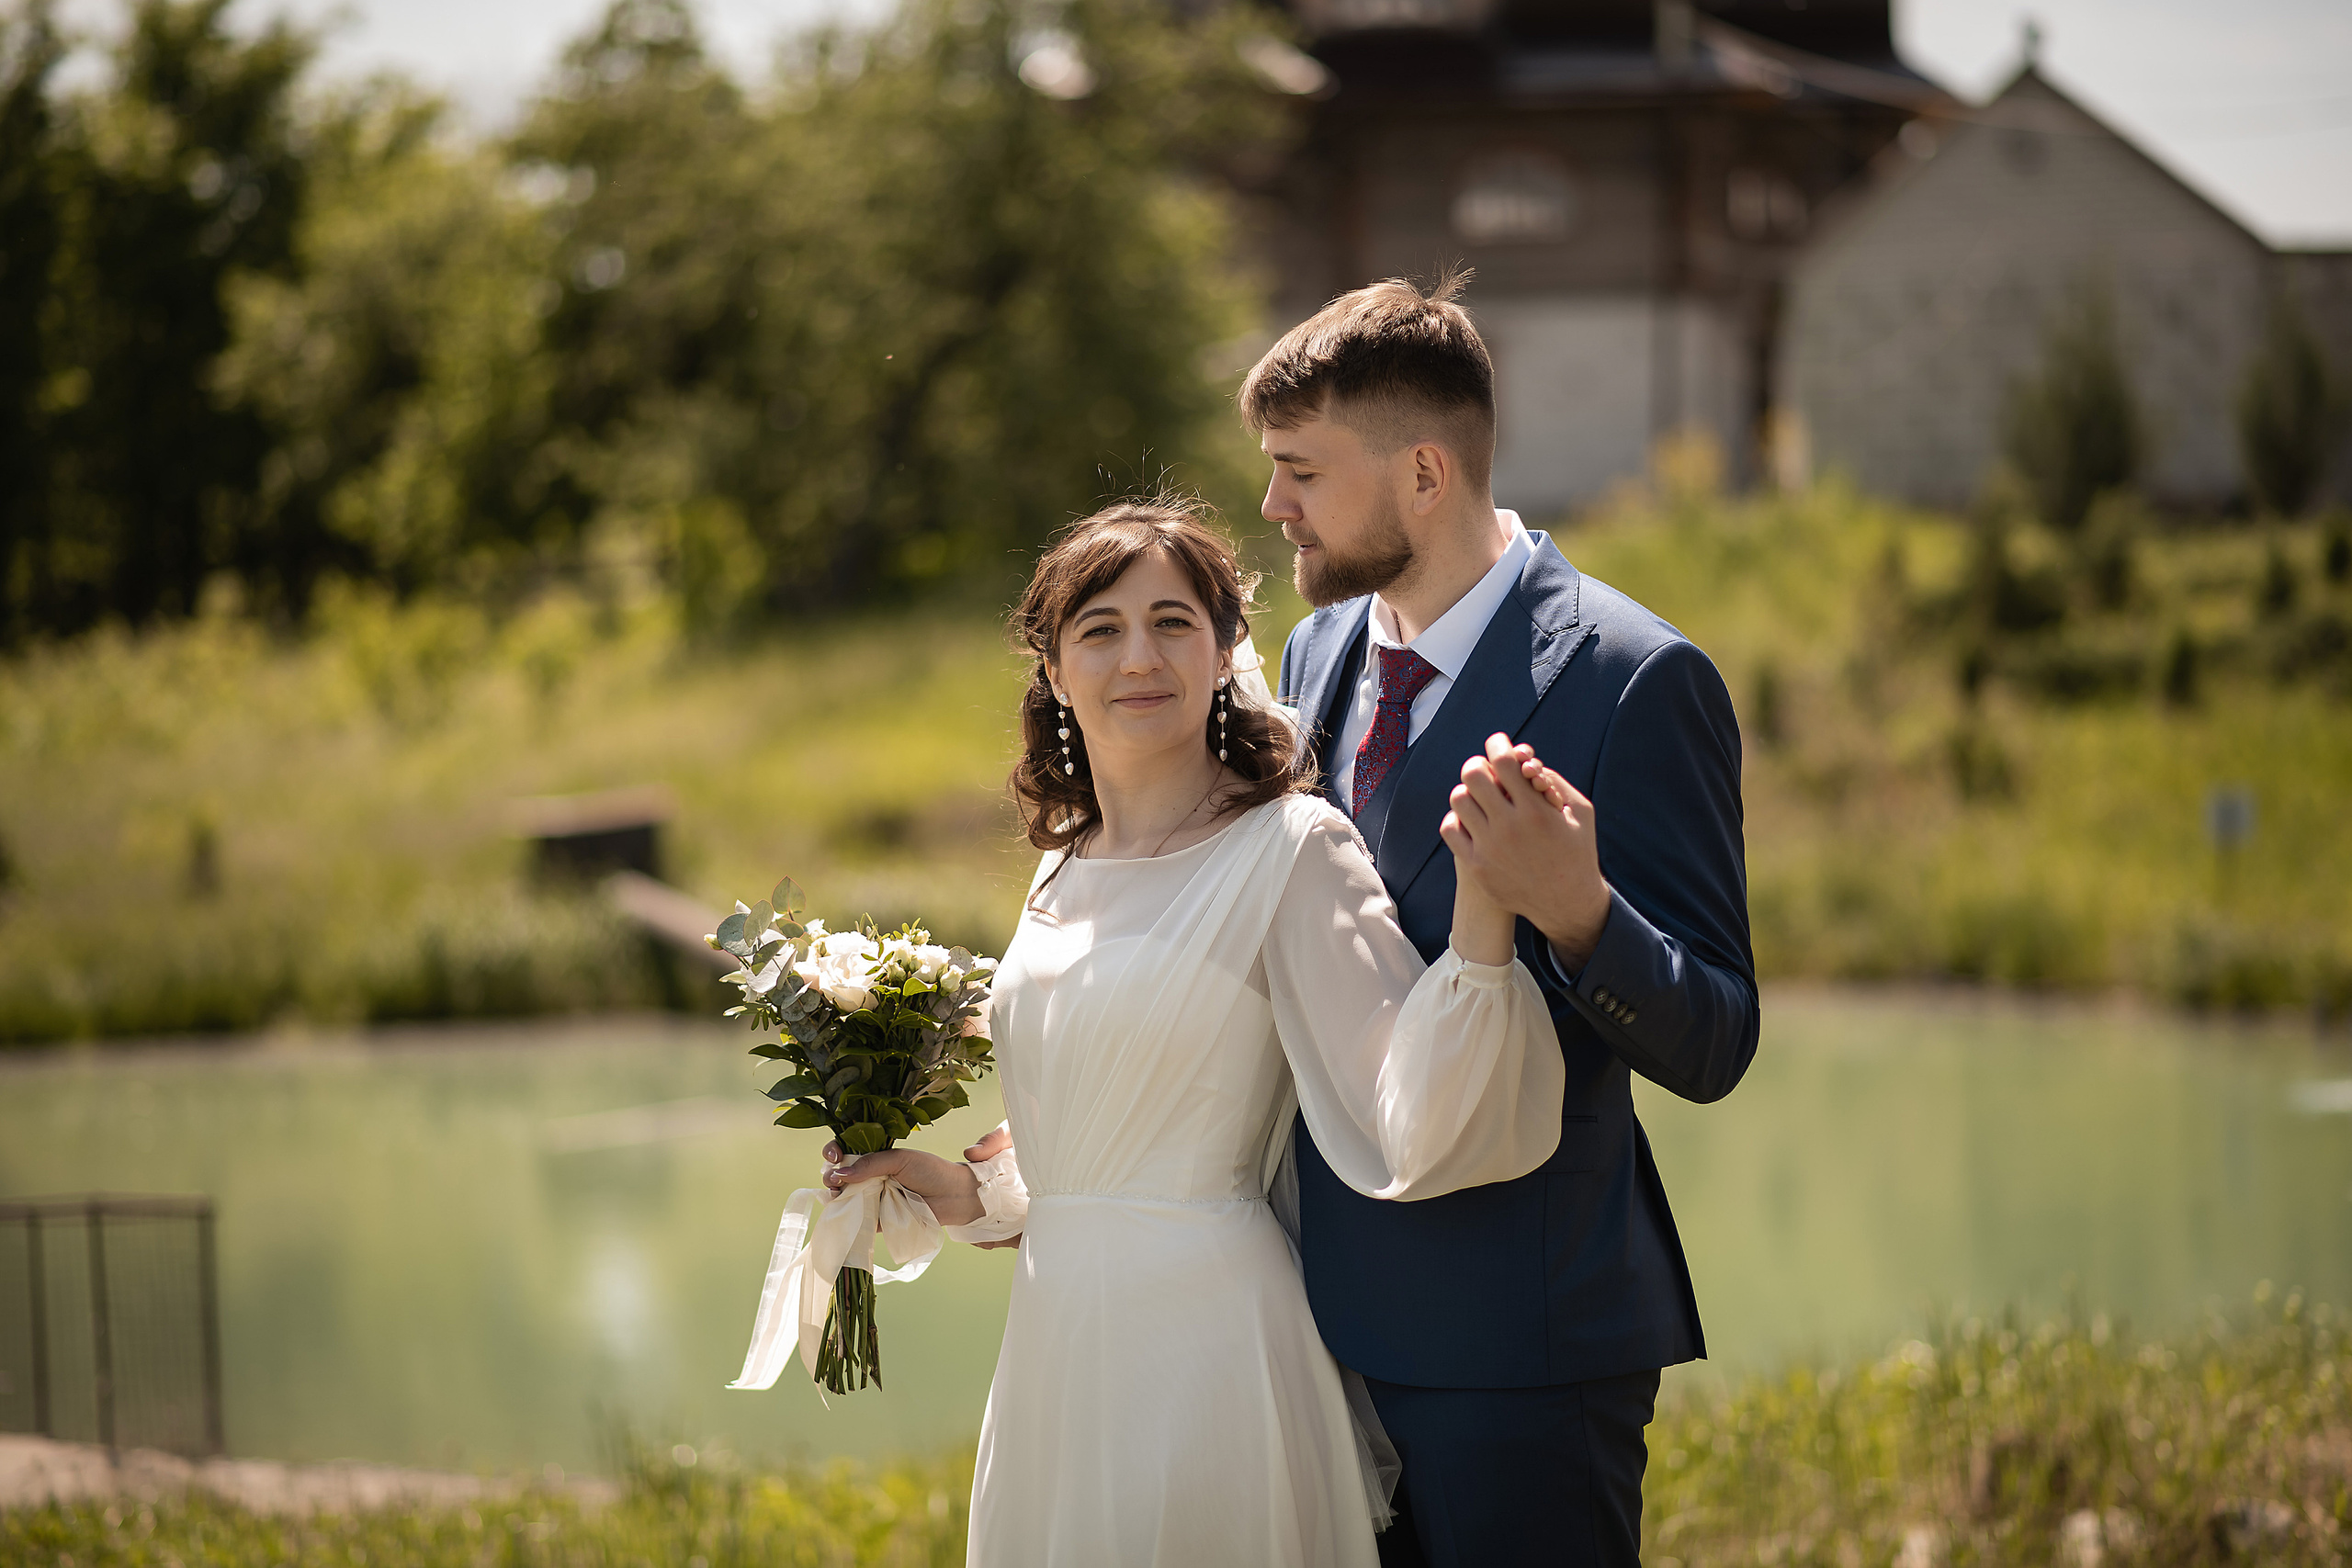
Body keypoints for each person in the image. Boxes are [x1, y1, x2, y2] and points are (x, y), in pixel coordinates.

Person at [824, 498, 1590, 1566]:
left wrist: (1484, 908)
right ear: (1051, 669)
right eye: (1100, 629)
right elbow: (1094, 1145)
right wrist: (962, 1194)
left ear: (1226, 648)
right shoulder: (1062, 863)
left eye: (1173, 623)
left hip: (1209, 1351)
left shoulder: (1288, 848)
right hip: (1056, 1355)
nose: (1139, 656)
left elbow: (1413, 1110)